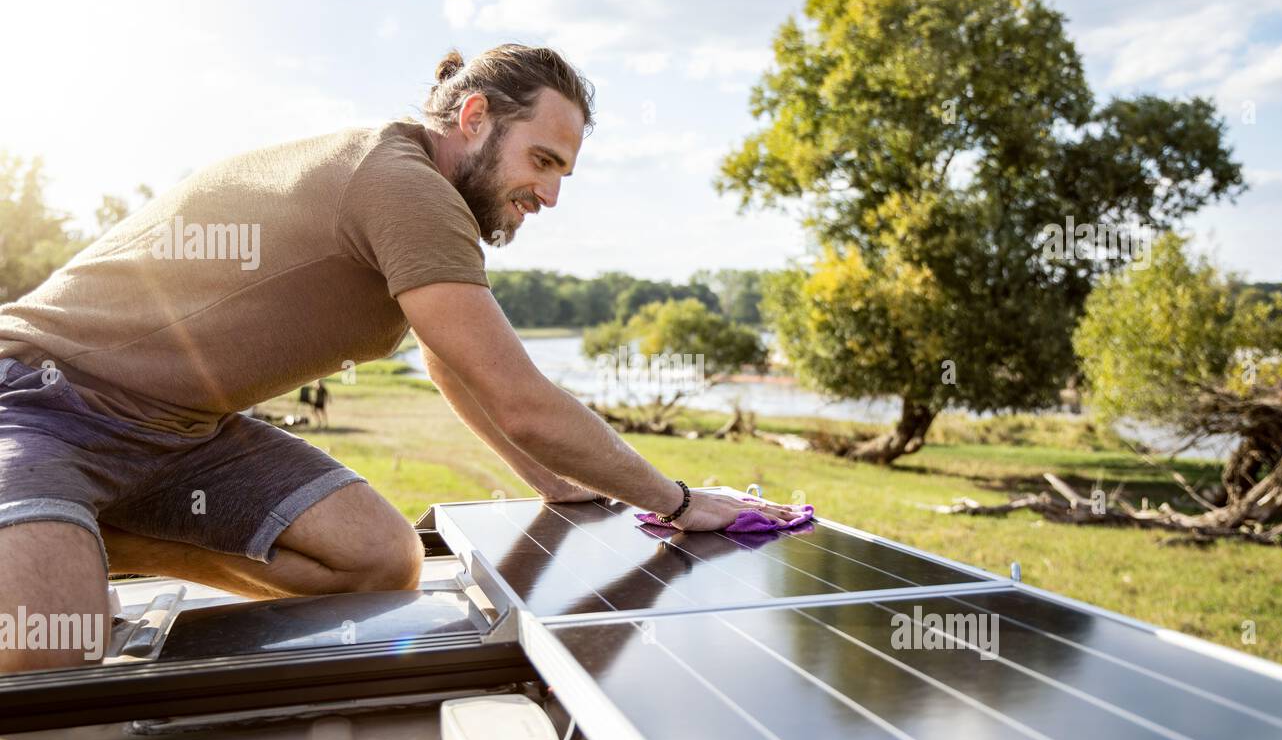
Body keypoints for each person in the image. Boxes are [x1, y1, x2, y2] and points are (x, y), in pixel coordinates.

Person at [0, 44, 803, 672]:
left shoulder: (419, 193)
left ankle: (90, 535)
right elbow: (522, 398)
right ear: (477, 117)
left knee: (381, 560)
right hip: (40, 396)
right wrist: (679, 499)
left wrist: (549, 481)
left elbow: (452, 363)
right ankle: (49, 543)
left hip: (181, 432)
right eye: (543, 162)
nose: (552, 195)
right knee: (54, 651)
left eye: (565, 172)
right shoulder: (404, 186)